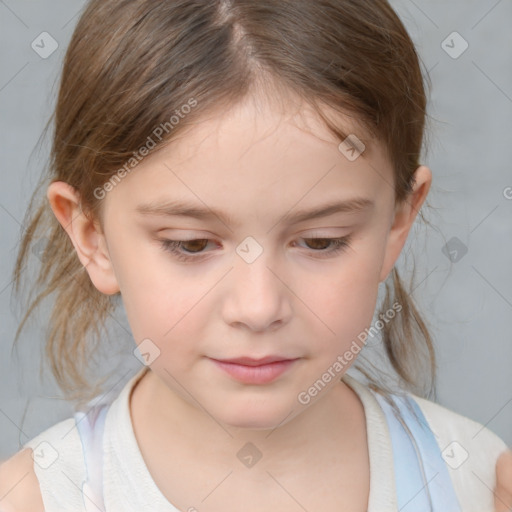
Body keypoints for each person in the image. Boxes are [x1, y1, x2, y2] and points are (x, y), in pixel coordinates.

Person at [0, 0, 510, 510]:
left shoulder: (476, 480)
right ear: (92, 236)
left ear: (397, 223)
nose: (259, 307)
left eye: (321, 241)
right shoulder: (36, 497)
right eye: (192, 244)